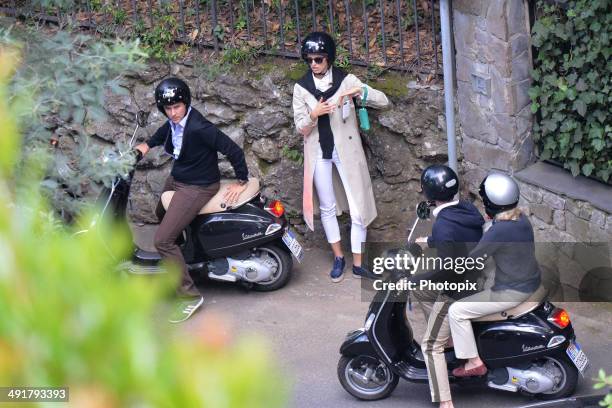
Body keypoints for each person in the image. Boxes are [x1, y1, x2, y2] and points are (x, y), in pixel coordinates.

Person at [135, 77, 249, 323]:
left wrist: (241, 181)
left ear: (186, 103)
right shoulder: (174, 122)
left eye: (177, 107)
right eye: (168, 108)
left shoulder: (199, 127)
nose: (173, 113)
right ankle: (182, 260)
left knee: (162, 240)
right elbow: (163, 132)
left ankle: (189, 296)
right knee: (160, 214)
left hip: (198, 186)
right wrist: (144, 147)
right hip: (179, 179)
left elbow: (233, 150)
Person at [292, 31, 390, 282]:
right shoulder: (301, 88)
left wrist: (360, 94)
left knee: (358, 207)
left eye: (319, 59)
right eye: (310, 59)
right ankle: (338, 257)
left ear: (329, 59)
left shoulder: (347, 81)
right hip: (319, 154)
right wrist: (314, 115)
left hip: (346, 151)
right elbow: (300, 127)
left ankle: (358, 263)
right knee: (327, 207)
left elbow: (383, 101)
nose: (314, 64)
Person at [448, 172, 542, 377]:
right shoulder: (521, 218)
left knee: (456, 311)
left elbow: (472, 262)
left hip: (511, 291)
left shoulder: (499, 231)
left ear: (491, 205)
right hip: (530, 281)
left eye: (485, 202)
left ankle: (474, 362)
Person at [411, 165, 484, 408]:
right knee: (420, 291)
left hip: (459, 289)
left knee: (430, 345)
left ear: (430, 196)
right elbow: (459, 236)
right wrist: (430, 241)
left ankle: (445, 402)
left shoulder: (443, 224)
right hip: (478, 276)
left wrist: (417, 277)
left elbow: (447, 269)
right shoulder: (468, 209)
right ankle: (451, 336)